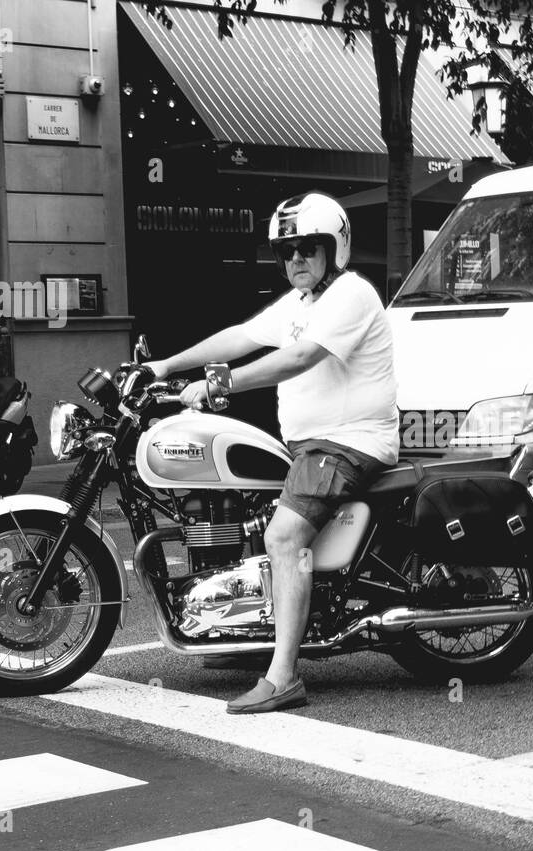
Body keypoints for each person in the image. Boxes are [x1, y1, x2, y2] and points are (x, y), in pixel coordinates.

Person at [145, 192, 399, 713]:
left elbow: (301, 357)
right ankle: (250, 635)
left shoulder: (351, 295)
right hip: (308, 444)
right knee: (246, 509)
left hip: (349, 442)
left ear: (336, 249)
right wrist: (166, 366)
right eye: (287, 251)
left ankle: (283, 676)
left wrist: (222, 385)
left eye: (308, 248)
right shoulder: (300, 303)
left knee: (284, 535)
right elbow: (241, 335)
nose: (296, 260)